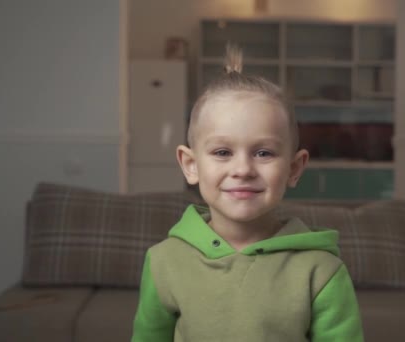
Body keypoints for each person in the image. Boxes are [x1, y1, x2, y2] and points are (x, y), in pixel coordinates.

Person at [131, 44, 364, 342]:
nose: (243, 169)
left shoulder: (322, 270)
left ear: (294, 168)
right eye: (222, 152)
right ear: (191, 165)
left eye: (264, 153)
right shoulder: (164, 261)